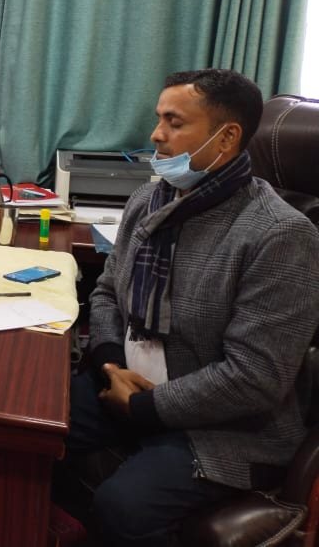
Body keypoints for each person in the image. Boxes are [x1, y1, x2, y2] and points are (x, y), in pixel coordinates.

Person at [60, 69, 319, 546]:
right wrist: (110, 364)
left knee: (123, 507)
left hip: (227, 426)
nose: (156, 135)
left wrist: (143, 407)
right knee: (30, 429)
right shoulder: (150, 200)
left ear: (227, 137)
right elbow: (107, 292)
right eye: (159, 119)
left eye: (174, 122)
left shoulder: (280, 234)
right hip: (127, 382)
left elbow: (255, 377)